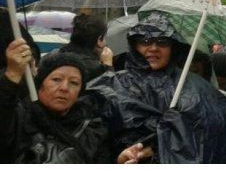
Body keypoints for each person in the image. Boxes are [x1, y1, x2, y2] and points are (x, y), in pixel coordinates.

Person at [86, 12, 226, 163]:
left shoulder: (196, 88)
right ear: (134, 45)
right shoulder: (115, 84)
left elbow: (214, 139)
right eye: (145, 41)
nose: (153, 48)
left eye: (162, 42)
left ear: (173, 47)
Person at [0, 41, 141, 163]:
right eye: (56, 80)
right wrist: (12, 74)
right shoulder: (18, 118)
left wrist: (118, 163)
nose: (64, 88)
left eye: (74, 83)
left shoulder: (92, 128)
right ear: (40, 83)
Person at [57, 13, 112, 81]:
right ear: (99, 40)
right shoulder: (95, 68)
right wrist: (108, 65)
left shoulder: (55, 55)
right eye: (104, 39)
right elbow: (110, 89)